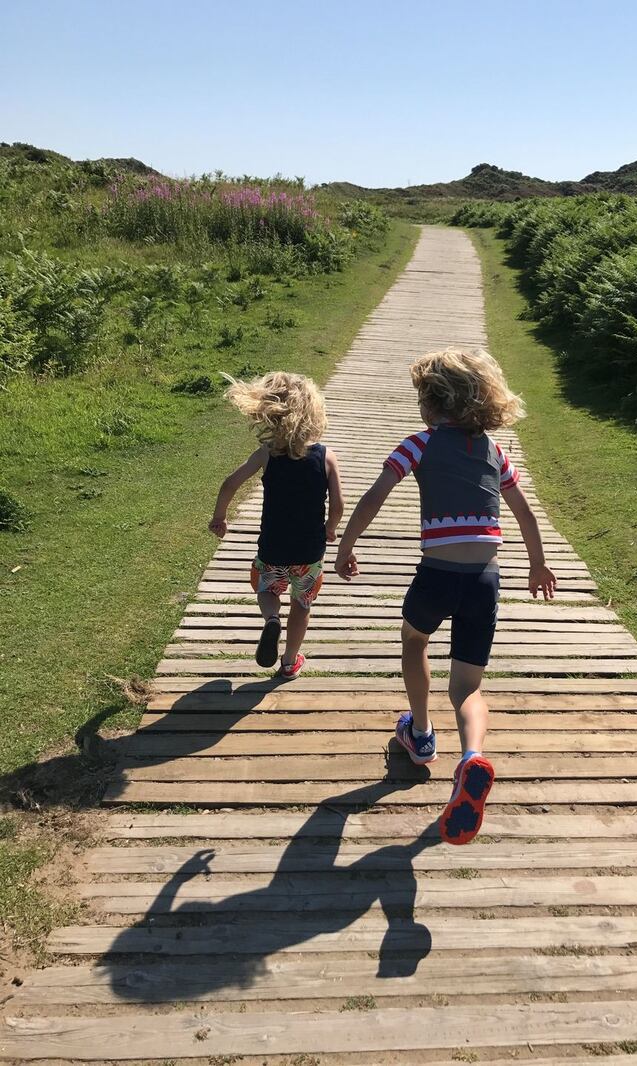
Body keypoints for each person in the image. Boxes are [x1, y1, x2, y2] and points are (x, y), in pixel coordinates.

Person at [335, 348, 556, 844]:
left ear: (431, 402)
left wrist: (347, 545)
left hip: (436, 575)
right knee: (469, 688)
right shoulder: (494, 452)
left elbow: (374, 495)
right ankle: (471, 758)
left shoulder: (416, 445)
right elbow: (525, 515)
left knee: (415, 639)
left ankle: (419, 732)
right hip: (485, 579)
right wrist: (538, 564)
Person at [209, 371, 343, 679]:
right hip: (309, 552)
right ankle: (289, 661)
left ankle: (271, 618)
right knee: (302, 603)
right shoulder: (326, 456)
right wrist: (331, 527)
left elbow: (230, 484)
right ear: (314, 413)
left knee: (267, 590)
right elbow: (338, 504)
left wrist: (219, 518)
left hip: (273, 547)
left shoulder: (267, 454)